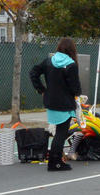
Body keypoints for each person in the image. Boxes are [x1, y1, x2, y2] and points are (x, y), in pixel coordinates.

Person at [29, 37, 82, 172]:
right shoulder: (71, 65)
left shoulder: (49, 61)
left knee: (59, 132)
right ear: (72, 50)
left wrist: (41, 89)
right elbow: (75, 88)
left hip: (51, 101)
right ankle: (55, 162)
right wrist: (78, 93)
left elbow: (33, 72)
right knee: (61, 134)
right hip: (65, 103)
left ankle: (55, 160)